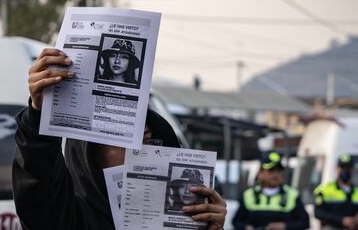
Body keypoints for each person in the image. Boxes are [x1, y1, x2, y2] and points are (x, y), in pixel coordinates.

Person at [12, 48, 227, 230]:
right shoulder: (73, 218)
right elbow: (38, 190)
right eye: (123, 138)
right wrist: (39, 115)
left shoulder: (180, 219)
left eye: (150, 142)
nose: (140, 148)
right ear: (91, 157)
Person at [232, 152, 309, 230]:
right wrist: (246, 227)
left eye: (278, 170)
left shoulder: (292, 195)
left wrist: (284, 226)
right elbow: (236, 222)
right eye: (271, 170)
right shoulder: (248, 195)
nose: (275, 174)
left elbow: (305, 223)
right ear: (260, 173)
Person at [314, 155, 358, 230]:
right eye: (342, 168)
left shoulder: (356, 190)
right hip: (332, 226)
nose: (345, 170)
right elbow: (318, 212)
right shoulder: (324, 190)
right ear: (337, 169)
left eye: (348, 168)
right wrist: (341, 220)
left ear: (353, 170)